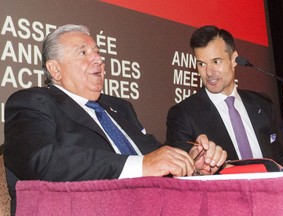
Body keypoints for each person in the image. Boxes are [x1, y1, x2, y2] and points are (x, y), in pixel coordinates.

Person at [3, 24, 227, 215]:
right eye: (83, 53)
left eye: (98, 52)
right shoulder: (32, 102)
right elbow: (41, 160)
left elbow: (154, 156)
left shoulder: (120, 108)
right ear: (55, 69)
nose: (99, 59)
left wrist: (190, 164)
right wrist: (141, 165)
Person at [166, 25, 283, 167]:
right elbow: (181, 174)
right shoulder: (183, 115)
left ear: (234, 59)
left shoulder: (262, 104)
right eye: (201, 64)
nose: (209, 72)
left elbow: (282, 157)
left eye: (216, 61)